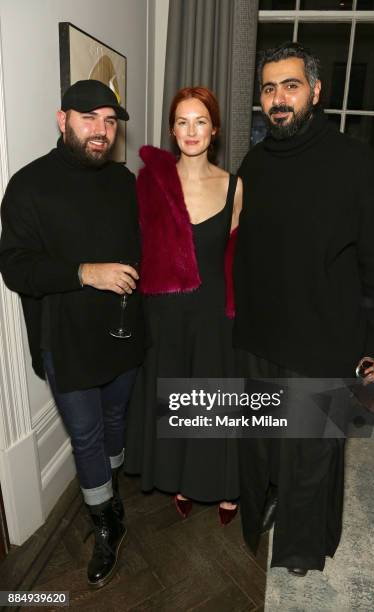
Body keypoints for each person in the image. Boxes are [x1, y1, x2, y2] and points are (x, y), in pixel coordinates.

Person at [234, 42, 374, 575]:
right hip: (260, 335)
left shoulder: (356, 162)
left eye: (291, 85)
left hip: (325, 341)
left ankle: (303, 549)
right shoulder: (254, 162)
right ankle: (266, 514)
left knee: (311, 452)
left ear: (317, 91)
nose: (278, 99)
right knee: (263, 442)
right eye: (269, 88)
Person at [0, 79, 146, 589]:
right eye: (90, 119)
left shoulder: (126, 183)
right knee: (85, 437)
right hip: (65, 340)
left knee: (114, 422)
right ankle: (106, 523)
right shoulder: (27, 185)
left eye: (110, 121)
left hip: (124, 335)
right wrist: (86, 272)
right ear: (63, 120)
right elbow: (16, 269)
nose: (102, 131)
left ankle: (111, 492)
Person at [124, 86, 242, 522]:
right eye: (182, 121)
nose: (191, 130)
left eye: (200, 121)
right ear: (173, 130)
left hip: (214, 316)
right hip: (165, 316)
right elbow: (137, 247)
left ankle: (221, 483)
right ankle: (181, 478)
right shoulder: (150, 183)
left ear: (214, 130)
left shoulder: (236, 187)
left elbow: (240, 259)